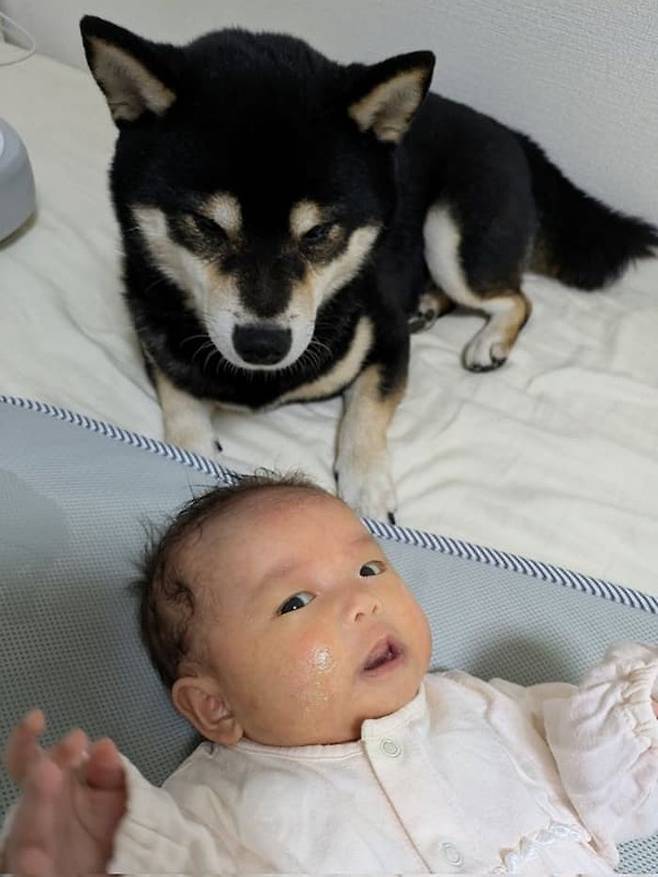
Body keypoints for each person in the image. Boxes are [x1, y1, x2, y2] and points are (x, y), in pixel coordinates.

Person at [2, 473, 657, 875]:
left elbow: (610, 787)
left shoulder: (481, 707)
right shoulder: (212, 811)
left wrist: (643, 716)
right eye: (296, 600)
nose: (362, 600)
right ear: (215, 706)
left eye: (369, 568)